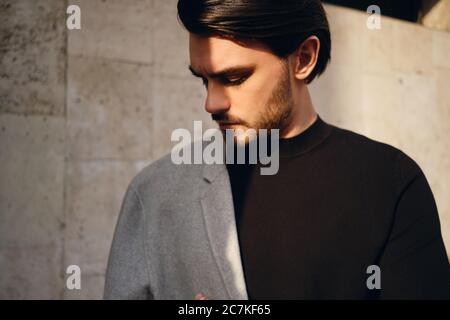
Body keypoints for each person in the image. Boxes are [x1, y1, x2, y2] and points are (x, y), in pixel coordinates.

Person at [104, 0, 450, 299]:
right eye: (203, 79)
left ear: (303, 58)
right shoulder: (154, 192)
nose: (211, 102)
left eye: (235, 78)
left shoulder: (390, 183)